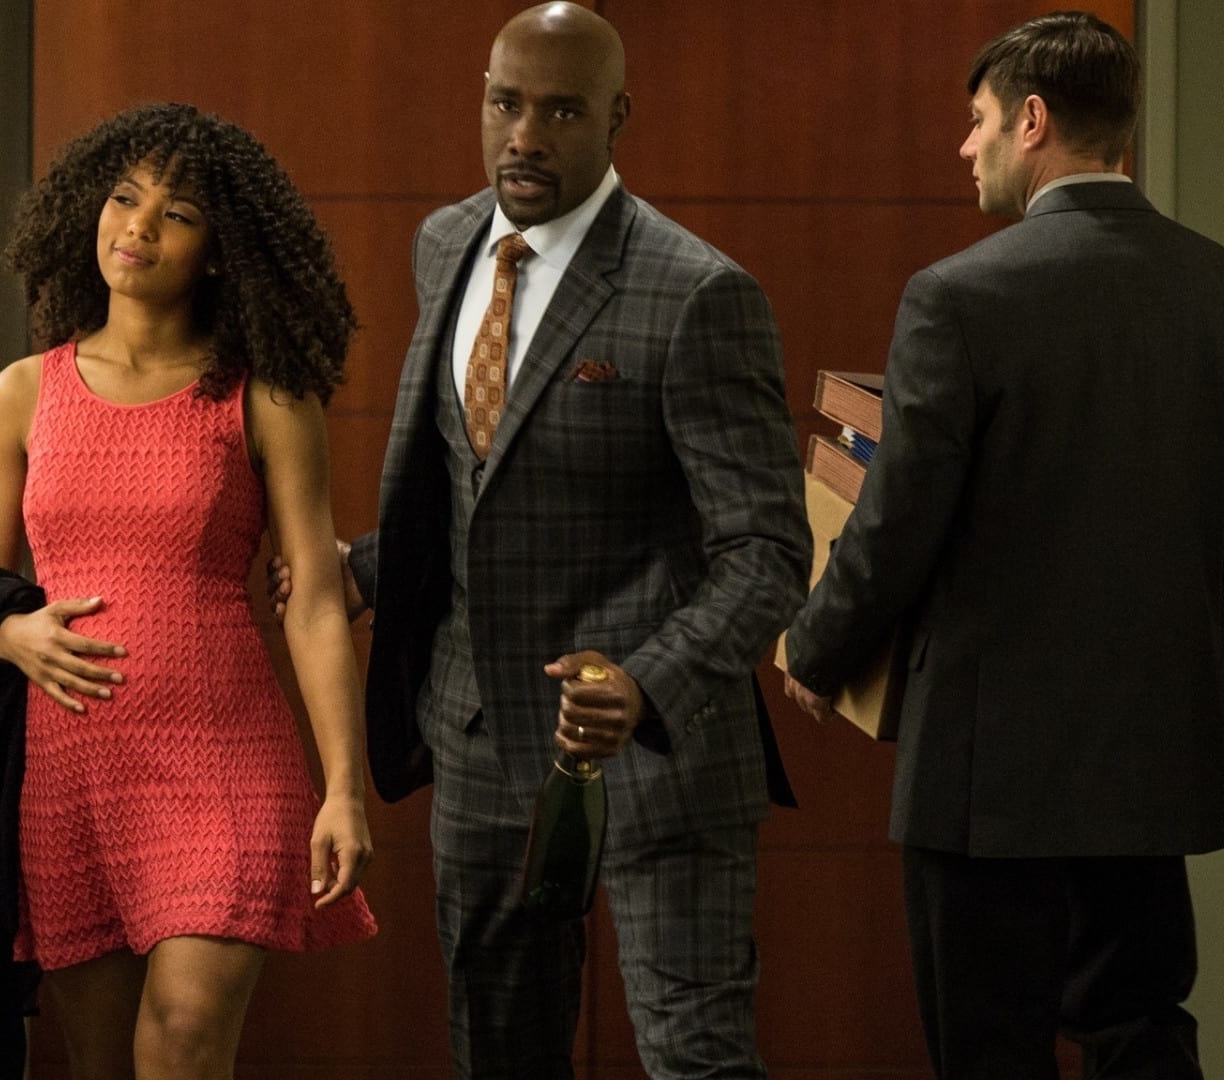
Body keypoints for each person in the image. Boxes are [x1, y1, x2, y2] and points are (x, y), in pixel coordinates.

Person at [276, 5, 806, 1075]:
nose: (524, 136)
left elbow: (768, 552)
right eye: (505, 104)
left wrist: (647, 683)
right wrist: (365, 570)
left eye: (561, 112)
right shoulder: (445, 243)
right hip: (478, 731)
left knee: (696, 1060)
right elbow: (478, 483)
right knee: (500, 1056)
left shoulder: (695, 292)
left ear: (617, 117)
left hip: (657, 749)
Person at [779, 13, 1224, 1080]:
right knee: (1141, 1032)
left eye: (978, 121)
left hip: (986, 769)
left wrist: (814, 649)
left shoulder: (958, 297)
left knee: (990, 1050)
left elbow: (896, 525)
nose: (967, 146)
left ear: (1034, 121)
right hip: (1155, 749)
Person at [0, 102, 376, 1079]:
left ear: (222, 253)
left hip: (223, 761)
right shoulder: (23, 393)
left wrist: (343, 789)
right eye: (124, 199)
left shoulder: (266, 396)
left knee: (186, 1035)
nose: (139, 227)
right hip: (69, 773)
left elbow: (316, 601)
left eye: (177, 213)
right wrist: (8, 635)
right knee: (101, 1064)